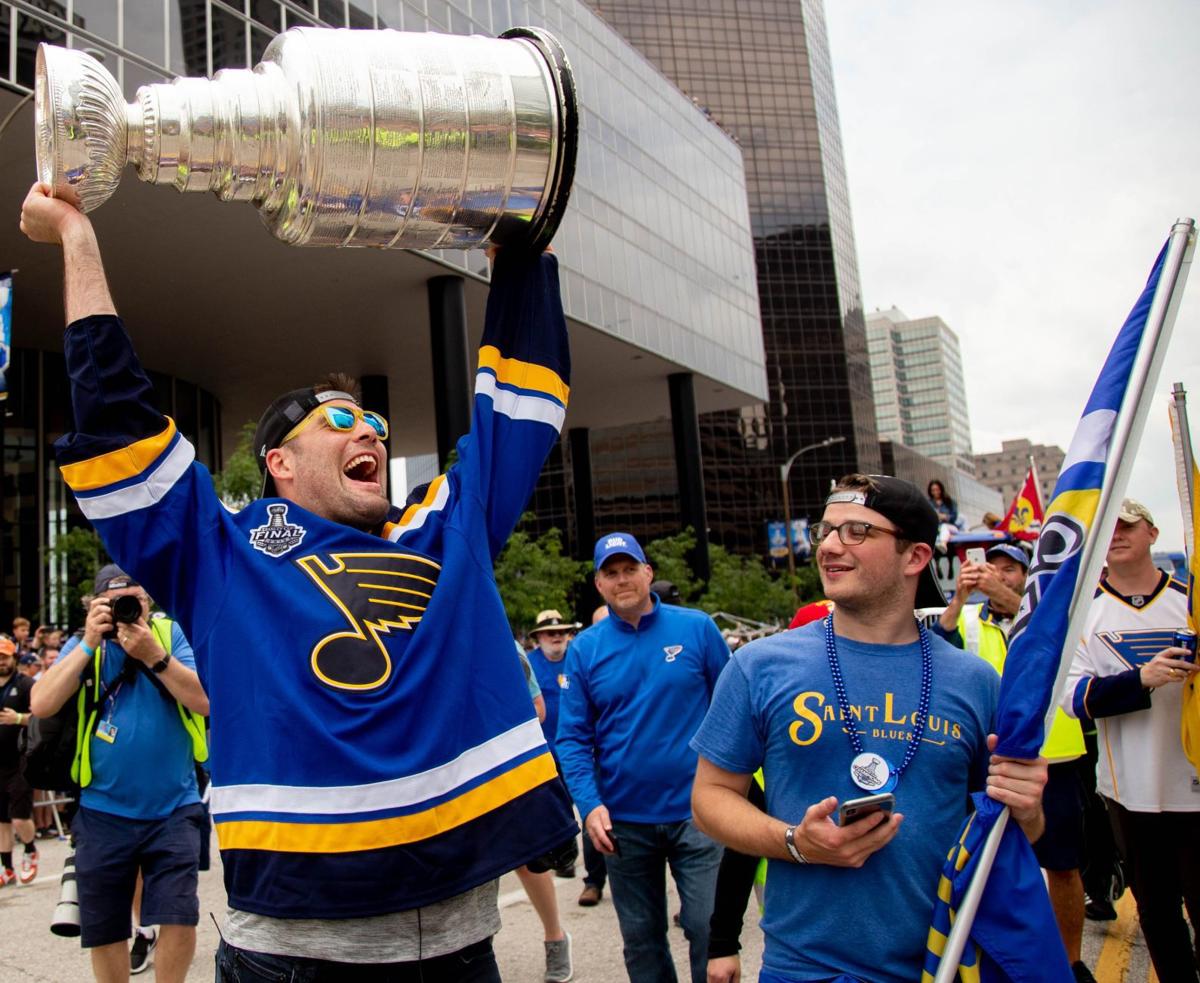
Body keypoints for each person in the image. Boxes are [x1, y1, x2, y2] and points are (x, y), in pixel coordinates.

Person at [21, 180, 577, 980]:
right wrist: (76, 235)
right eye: (342, 421)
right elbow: (117, 422)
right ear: (278, 463)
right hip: (291, 956)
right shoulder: (225, 553)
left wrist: (523, 256)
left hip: (459, 948)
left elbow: (521, 409)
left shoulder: (442, 531)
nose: (373, 436)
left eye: (377, 426)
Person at [691, 474, 1049, 983]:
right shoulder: (759, 665)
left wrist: (1029, 810)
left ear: (915, 557)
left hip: (943, 963)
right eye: (827, 531)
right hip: (803, 970)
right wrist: (795, 841)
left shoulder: (975, 681)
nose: (831, 547)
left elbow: (1015, 834)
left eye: (857, 531)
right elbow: (709, 800)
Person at [557, 532, 730, 983]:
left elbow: (735, 710)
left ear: (648, 572)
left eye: (629, 569)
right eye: (610, 573)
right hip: (625, 822)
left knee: (706, 928)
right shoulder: (585, 649)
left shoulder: (697, 629)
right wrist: (589, 805)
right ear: (599, 585)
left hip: (700, 813)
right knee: (642, 939)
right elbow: (572, 738)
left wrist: (735, 790)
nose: (622, 580)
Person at [30, 564, 209, 983]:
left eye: (139, 601)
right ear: (96, 606)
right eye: (118, 603)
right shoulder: (85, 646)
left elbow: (206, 701)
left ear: (149, 603)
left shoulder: (169, 635)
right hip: (102, 810)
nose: (131, 610)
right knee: (105, 929)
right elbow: (41, 703)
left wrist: (154, 656)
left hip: (174, 806)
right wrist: (90, 642)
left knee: (180, 916)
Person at [935, 542, 1093, 981]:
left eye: (1010, 570)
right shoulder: (969, 618)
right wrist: (960, 597)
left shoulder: (1053, 615)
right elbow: (938, 644)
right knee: (989, 865)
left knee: (1061, 865)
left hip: (1053, 756)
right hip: (990, 760)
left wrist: (1005, 596)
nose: (999, 576)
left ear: (1028, 576)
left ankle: (1071, 962)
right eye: (993, 569)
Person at [1063, 498, 1200, 982]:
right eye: (1110, 528)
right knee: (1159, 914)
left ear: (1153, 534)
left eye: (1129, 524)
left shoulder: (1191, 602)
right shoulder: (1085, 615)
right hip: (1132, 794)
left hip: (1196, 782)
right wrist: (1141, 678)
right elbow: (1074, 698)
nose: (1118, 534)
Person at [527, 608, 609, 904]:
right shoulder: (530, 664)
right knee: (557, 811)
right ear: (539, 638)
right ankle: (562, 856)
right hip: (545, 753)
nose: (557, 637)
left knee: (591, 809)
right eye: (551, 633)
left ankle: (594, 881)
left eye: (561, 632)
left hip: (581, 750)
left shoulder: (578, 659)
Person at [513, 639, 574, 983]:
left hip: (504, 768)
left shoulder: (506, 646)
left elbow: (539, 708)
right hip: (456, 772)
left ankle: (555, 936)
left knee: (527, 861)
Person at [0, 635, 38, 886]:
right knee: (1, 819)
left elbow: (42, 716)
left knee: (19, 817)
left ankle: (30, 850)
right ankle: (7, 868)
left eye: (4, 657)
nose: (0, 662)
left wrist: (18, 719)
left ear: (14, 656)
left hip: (21, 759)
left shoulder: (26, 684)